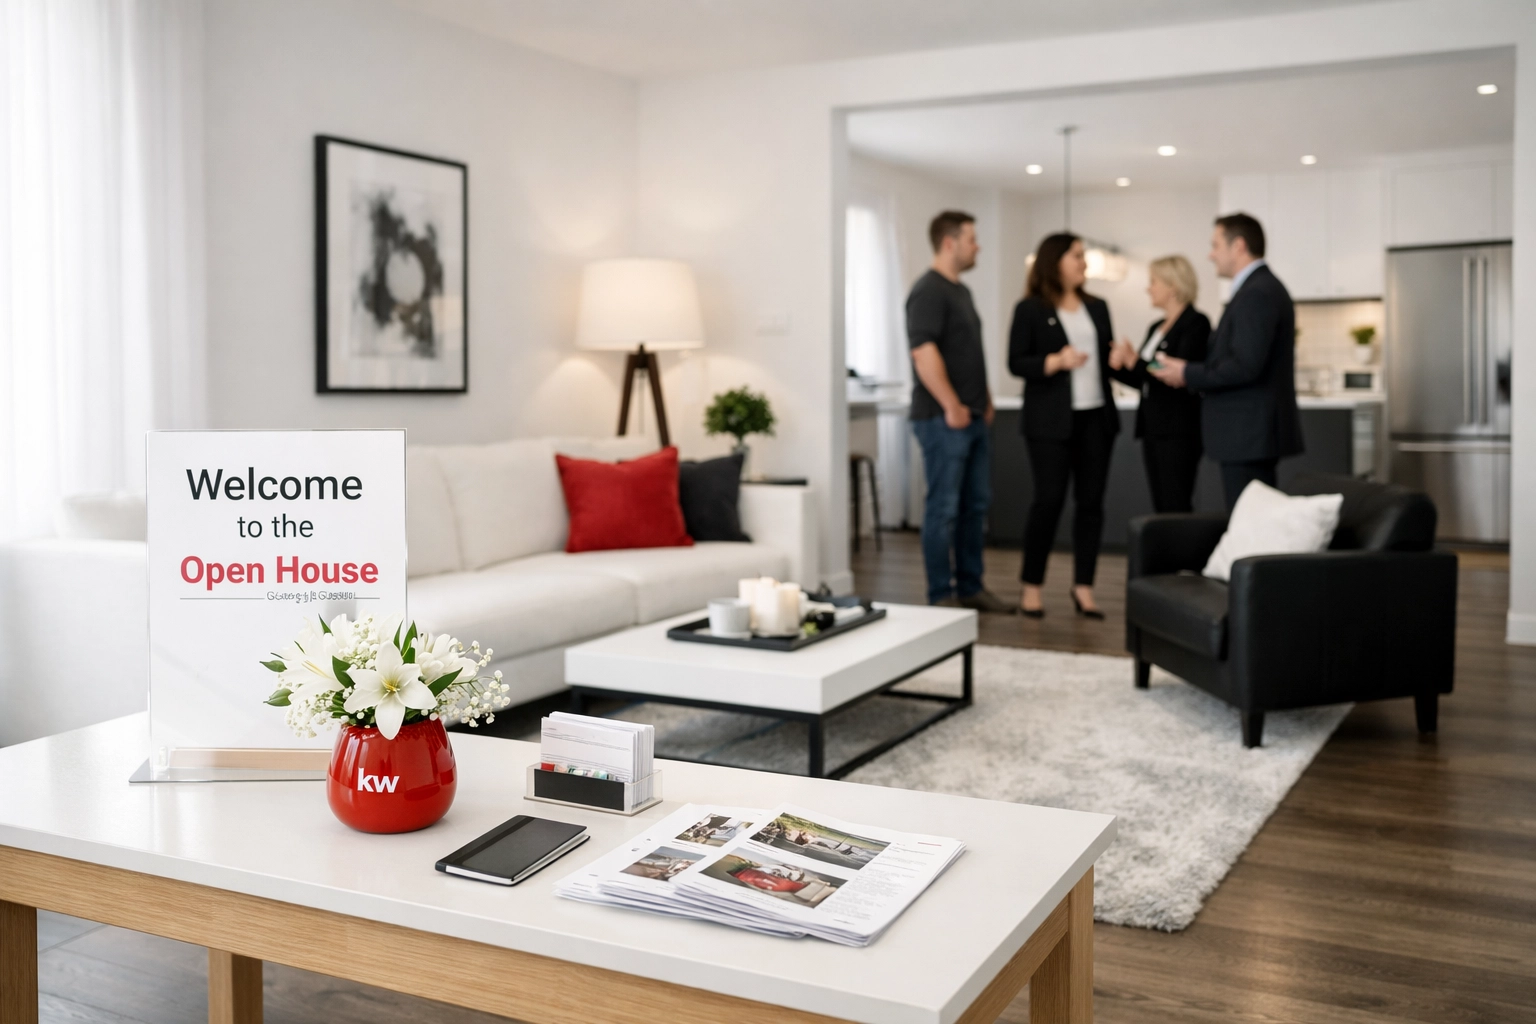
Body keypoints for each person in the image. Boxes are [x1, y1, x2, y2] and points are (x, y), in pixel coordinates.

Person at [1150, 213, 1303, 507]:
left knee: (1251, 526)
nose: (1211, 255)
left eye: (1215, 245)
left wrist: (1187, 373)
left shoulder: (1257, 292)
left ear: (1239, 246)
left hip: (1248, 434)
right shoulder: (1256, 289)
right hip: (1247, 434)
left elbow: (1245, 365)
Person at [1007, 233, 1122, 620]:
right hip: (1049, 422)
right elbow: (1016, 362)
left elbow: (1105, 361)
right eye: (1077, 256)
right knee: (1048, 502)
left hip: (1095, 419)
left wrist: (1120, 359)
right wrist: (1054, 362)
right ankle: (1031, 588)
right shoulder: (1030, 309)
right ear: (1055, 261)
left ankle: (1084, 588)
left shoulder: (1099, 307)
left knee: (1091, 505)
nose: (1083, 263)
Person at [906, 211, 1011, 612]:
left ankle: (970, 586)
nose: (977, 245)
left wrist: (983, 398)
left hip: (971, 417)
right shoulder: (928, 291)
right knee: (943, 509)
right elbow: (923, 352)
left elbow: (967, 353)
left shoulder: (960, 292)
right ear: (950, 242)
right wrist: (951, 404)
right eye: (972, 238)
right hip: (942, 419)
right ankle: (941, 596)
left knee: (974, 506)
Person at [1107, 255, 1211, 513]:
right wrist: (1119, 366)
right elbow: (1145, 377)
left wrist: (1136, 361)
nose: (1148, 288)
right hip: (1153, 427)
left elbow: (1177, 373)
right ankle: (1168, 553)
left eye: (1153, 282)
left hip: (1179, 429)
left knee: (1176, 501)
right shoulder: (1156, 327)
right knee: (1161, 503)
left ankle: (1182, 554)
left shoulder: (1196, 323)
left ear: (1173, 286)